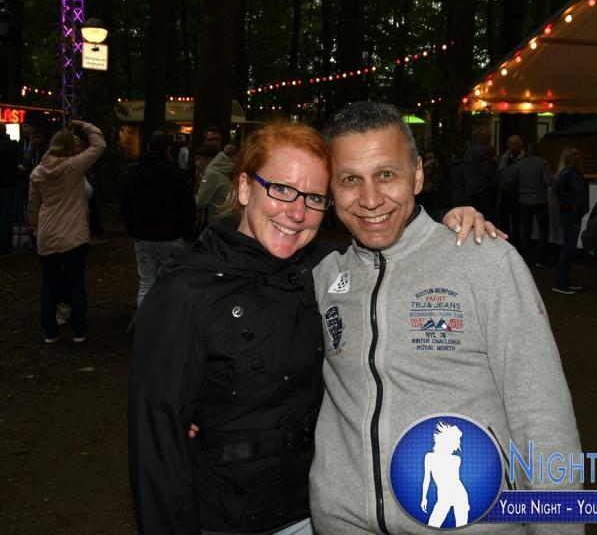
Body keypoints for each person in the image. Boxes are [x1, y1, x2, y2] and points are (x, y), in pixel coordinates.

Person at [129, 119, 495, 535]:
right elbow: (156, 452)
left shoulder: (327, 271)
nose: (297, 212)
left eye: (314, 197)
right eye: (281, 189)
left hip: (321, 510)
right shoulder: (184, 295)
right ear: (245, 188)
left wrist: (450, 224)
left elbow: (394, 250)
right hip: (226, 519)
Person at [309, 102, 582, 535]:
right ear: (330, 188)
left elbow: (543, 416)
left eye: (386, 174)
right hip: (343, 523)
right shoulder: (324, 277)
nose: (370, 199)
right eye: (349, 180)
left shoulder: (485, 261)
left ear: (417, 175)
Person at [28, 120, 106, 343]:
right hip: (74, 235)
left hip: (48, 234)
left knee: (49, 284)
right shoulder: (74, 167)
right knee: (76, 283)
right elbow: (99, 144)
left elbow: (33, 206)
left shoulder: (37, 173)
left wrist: (36, 229)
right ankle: (79, 330)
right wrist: (83, 125)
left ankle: (50, 331)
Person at [122, 131, 195, 308]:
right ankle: (169, 320)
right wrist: (187, 232)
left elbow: (125, 203)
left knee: (146, 282)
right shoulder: (175, 173)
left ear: (148, 147)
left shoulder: (134, 172)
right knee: (173, 282)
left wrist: (133, 229)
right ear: (168, 149)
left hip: (144, 235)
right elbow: (187, 205)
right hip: (170, 235)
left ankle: (144, 321)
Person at [551, 146, 589, 295]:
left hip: (574, 213)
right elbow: (556, 187)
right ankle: (560, 283)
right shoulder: (567, 171)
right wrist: (571, 201)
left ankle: (565, 280)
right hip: (569, 213)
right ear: (567, 157)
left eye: (579, 154)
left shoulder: (575, 172)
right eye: (574, 154)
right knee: (569, 247)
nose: (577, 156)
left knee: (570, 247)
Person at [515, 142, 552, 269]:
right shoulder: (543, 163)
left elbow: (514, 180)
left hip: (524, 200)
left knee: (526, 231)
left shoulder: (520, 164)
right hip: (540, 200)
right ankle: (541, 259)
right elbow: (548, 181)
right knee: (543, 230)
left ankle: (526, 259)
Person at [463, 124, 497, 221]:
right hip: (483, 191)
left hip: (471, 190)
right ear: (480, 136)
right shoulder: (483, 150)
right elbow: (487, 172)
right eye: (487, 136)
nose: (489, 139)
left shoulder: (469, 151)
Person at [497, 134, 526, 249]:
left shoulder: (524, 159)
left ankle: (517, 246)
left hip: (517, 193)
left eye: (517, 144)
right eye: (513, 144)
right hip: (504, 193)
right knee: (503, 220)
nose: (515, 146)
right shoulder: (503, 158)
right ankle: (505, 243)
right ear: (508, 145)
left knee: (516, 222)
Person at [194, 143, 232, 229]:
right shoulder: (219, 169)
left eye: (200, 159)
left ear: (209, 159)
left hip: (221, 219)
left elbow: (200, 201)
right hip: (227, 216)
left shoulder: (211, 173)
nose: (197, 162)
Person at [0, 122, 19, 254]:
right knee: (6, 215)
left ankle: (4, 244)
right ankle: (6, 245)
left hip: (3, 183)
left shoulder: (4, 146)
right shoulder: (12, 145)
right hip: (9, 183)